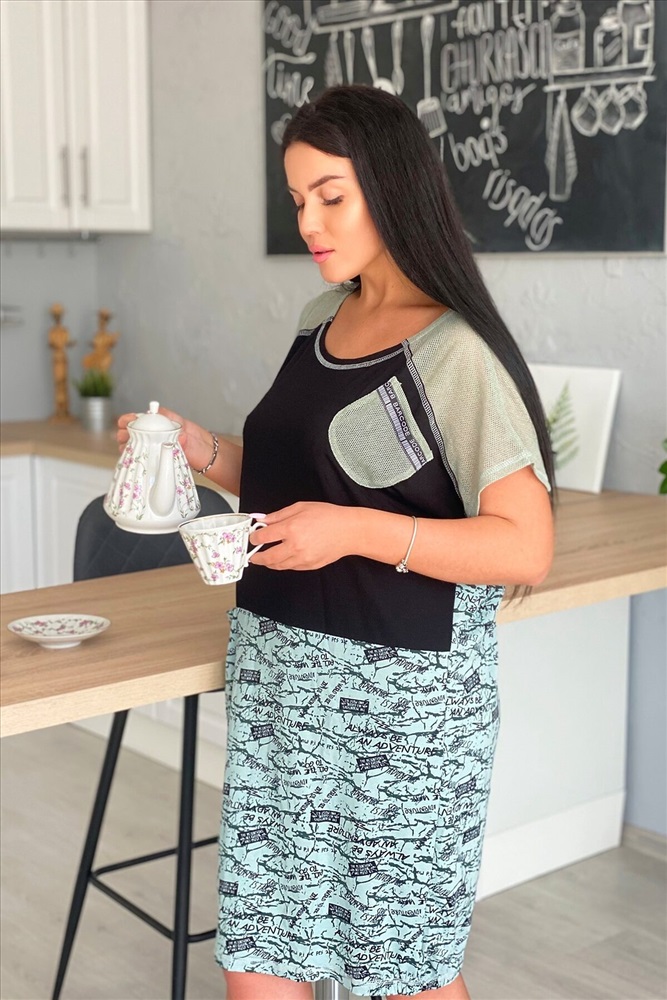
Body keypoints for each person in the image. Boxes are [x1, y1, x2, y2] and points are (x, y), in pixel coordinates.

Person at [118, 85, 554, 1000]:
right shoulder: (320, 320)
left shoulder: (455, 352)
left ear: (390, 187)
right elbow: (301, 488)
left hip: (403, 712)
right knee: (258, 960)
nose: (309, 223)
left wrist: (354, 531)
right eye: (297, 200)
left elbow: (524, 548)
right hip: (279, 682)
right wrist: (201, 451)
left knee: (401, 978)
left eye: (330, 196)